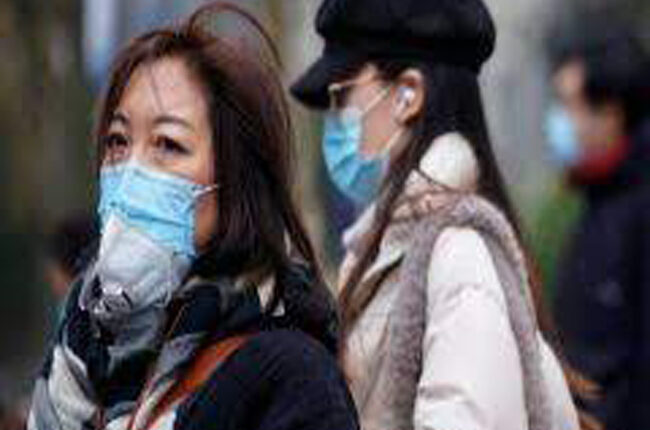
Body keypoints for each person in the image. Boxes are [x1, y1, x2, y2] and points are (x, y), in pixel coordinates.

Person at [27, 3, 359, 430]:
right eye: (118, 141)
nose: (131, 171)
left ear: (235, 177)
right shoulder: (82, 344)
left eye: (168, 144)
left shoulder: (291, 378)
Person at [291, 0, 597, 429]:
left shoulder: (458, 254)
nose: (334, 118)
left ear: (408, 94)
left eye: (341, 96)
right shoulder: (397, 245)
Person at [547, 29, 650, 430]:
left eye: (569, 105)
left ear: (611, 112)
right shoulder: (598, 202)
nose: (559, 122)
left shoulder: (638, 211)